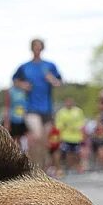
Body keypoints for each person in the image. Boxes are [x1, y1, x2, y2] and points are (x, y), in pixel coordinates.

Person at [12, 38, 62, 169]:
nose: (37, 49)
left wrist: (52, 80)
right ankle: (34, 167)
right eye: (35, 47)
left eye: (39, 47)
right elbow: (14, 81)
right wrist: (22, 85)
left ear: (42, 48)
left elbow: (59, 82)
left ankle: (42, 168)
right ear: (32, 48)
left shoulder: (50, 66)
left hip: (47, 108)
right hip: (31, 108)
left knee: (45, 141)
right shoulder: (25, 67)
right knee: (37, 135)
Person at [54, 96, 87, 174]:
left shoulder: (78, 111)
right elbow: (58, 126)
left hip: (76, 137)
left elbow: (82, 124)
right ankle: (66, 168)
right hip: (65, 137)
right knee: (66, 153)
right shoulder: (61, 113)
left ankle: (78, 167)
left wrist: (83, 135)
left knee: (77, 153)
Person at [4, 80, 29, 149]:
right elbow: (7, 107)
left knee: (24, 139)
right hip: (13, 120)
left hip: (23, 119)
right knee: (14, 140)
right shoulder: (10, 91)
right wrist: (7, 122)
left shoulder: (24, 91)